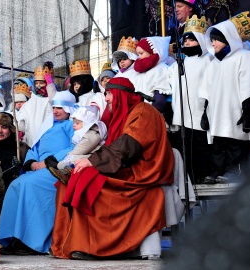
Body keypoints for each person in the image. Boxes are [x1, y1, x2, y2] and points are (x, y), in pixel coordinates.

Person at [50, 77, 174, 260]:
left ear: (119, 94)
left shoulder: (144, 112)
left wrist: (93, 161)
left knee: (86, 181)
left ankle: (94, 246)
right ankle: (70, 242)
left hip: (141, 174)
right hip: (126, 167)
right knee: (72, 179)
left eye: (108, 94)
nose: (106, 99)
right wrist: (89, 161)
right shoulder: (127, 112)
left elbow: (127, 146)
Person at [0, 91, 76, 254]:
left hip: (59, 167)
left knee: (29, 184)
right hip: (40, 168)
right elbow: (35, 147)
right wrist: (32, 163)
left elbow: (75, 148)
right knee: (15, 185)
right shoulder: (47, 126)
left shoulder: (72, 125)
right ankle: (13, 237)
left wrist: (47, 163)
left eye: (60, 107)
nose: (56, 111)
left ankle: (30, 242)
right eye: (54, 107)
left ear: (69, 109)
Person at [199, 13, 250, 183]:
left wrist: (247, 112)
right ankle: (218, 171)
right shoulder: (214, 62)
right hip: (217, 111)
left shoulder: (245, 57)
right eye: (212, 40)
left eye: (217, 39)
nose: (213, 43)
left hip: (234, 109)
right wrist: (206, 112)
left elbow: (248, 84)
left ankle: (233, 172)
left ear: (228, 38)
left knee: (235, 143)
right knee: (219, 142)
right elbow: (208, 89)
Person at [168, 15, 213, 183]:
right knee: (187, 146)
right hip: (184, 112)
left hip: (201, 109)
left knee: (202, 145)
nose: (186, 42)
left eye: (191, 39)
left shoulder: (208, 60)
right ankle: (191, 176)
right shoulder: (180, 63)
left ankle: (203, 174)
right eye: (185, 39)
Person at [47, 106, 107, 184]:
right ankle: (65, 172)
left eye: (77, 123)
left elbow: (83, 147)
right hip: (86, 154)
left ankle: (65, 173)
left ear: (87, 123)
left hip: (93, 156)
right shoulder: (85, 133)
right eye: (74, 123)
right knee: (62, 164)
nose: (74, 125)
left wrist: (71, 155)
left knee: (74, 160)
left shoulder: (92, 134)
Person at [0, 112, 30, 188]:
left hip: (16, 189)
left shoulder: (21, 148)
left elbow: (31, 173)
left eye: (4, 127)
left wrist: (21, 170)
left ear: (11, 129)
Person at [16, 62, 57, 147]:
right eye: (36, 83)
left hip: (49, 140)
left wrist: (50, 85)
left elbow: (54, 101)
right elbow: (23, 117)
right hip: (31, 141)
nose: (38, 86)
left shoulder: (52, 98)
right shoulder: (31, 101)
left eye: (42, 83)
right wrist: (20, 131)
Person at [130, 36, 172, 114]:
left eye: (141, 53)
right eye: (138, 54)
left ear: (152, 51)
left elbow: (161, 92)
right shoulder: (137, 71)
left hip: (151, 111)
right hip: (137, 110)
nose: (139, 57)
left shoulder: (161, 68)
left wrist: (155, 112)